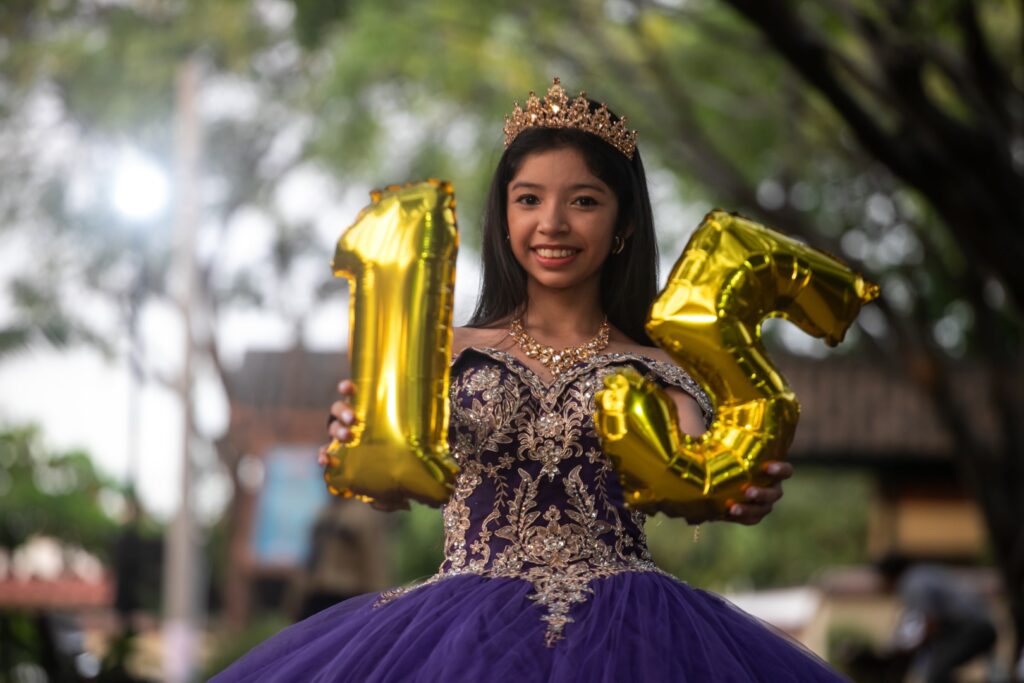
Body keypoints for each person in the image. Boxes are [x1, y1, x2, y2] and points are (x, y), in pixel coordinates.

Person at [213, 78, 846, 681]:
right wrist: (358, 443)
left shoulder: (665, 367)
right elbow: (388, 486)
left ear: (624, 223)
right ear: (505, 216)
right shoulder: (440, 352)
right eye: (529, 199)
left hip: (631, 635)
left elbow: (705, 464)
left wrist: (740, 492)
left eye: (584, 200)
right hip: (457, 635)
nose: (553, 223)